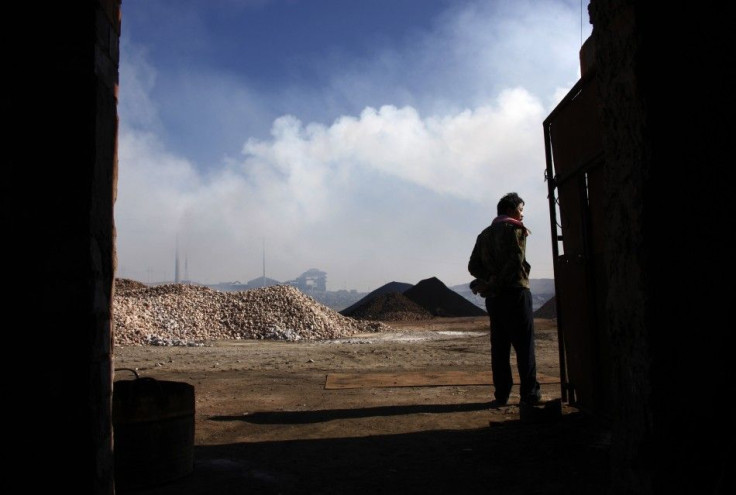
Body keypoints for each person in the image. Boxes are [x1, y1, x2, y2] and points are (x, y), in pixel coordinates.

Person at [468, 192, 542, 407]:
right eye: (520, 210)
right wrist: (499, 281)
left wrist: (489, 281)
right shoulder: (515, 230)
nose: (522, 215)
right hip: (516, 293)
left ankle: (502, 394)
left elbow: (473, 266)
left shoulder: (484, 235)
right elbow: (516, 260)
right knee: (524, 345)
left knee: (500, 347)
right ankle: (529, 393)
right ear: (510, 210)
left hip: (494, 298)